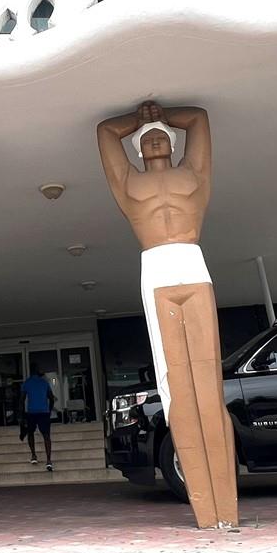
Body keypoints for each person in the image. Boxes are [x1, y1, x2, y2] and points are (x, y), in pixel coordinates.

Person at [97, 101, 238, 529]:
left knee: (207, 385)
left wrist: (159, 117)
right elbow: (105, 133)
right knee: (175, 386)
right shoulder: (130, 182)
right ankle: (201, 501)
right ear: (137, 149)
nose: (155, 137)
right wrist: (138, 121)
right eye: (146, 138)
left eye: (162, 133)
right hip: (156, 267)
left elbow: (199, 118)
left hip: (192, 263)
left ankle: (225, 509)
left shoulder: (192, 174)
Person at [20, 368, 56, 471]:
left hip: (32, 412)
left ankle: (34, 455)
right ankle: (48, 461)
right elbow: (51, 398)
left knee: (30, 433)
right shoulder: (44, 382)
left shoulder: (27, 383)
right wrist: (49, 410)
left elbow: (21, 400)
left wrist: (22, 414)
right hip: (43, 412)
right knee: (46, 436)